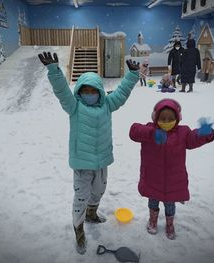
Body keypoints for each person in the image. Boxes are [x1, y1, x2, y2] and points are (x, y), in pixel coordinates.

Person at [38, 51, 140, 254]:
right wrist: (54, 71)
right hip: (82, 163)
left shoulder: (107, 105)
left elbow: (121, 93)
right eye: (85, 90)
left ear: (100, 91)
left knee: (99, 190)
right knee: (81, 197)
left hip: (102, 161)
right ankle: (79, 229)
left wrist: (132, 75)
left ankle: (92, 213)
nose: (89, 93)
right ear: (79, 92)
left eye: (93, 90)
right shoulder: (74, 106)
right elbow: (61, 91)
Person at [129, 98, 214, 240]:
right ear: (155, 118)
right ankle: (153, 220)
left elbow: (194, 138)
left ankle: (170, 224)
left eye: (170, 118)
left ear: (177, 118)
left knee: (170, 205)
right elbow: (134, 131)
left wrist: (205, 133)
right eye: (162, 118)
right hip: (153, 178)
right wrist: (151, 133)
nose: (166, 121)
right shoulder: (150, 130)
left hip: (173, 181)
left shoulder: (183, 133)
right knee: (153, 202)